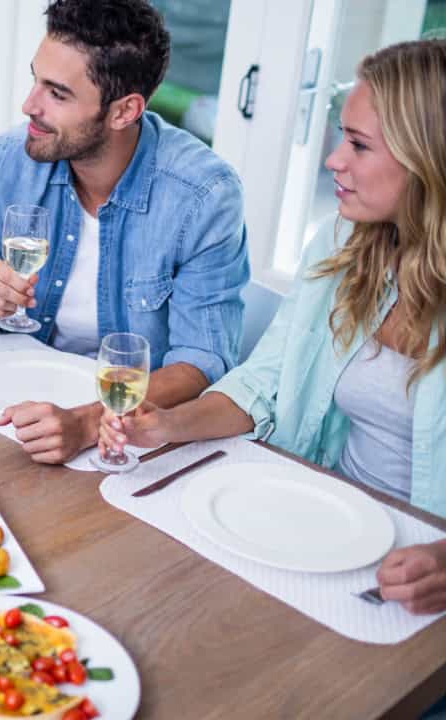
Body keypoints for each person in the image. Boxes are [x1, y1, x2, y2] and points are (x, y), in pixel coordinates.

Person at [101, 40, 446, 615]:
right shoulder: (343, 245)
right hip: (329, 523)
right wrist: (165, 425)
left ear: (430, 159)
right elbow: (264, 382)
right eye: (342, 137)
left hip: (419, 572)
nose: (335, 160)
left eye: (358, 145)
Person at [0, 0, 249, 465]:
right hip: (13, 400)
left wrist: (86, 421)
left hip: (128, 436)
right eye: (35, 79)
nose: (29, 106)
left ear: (124, 111)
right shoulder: (14, 157)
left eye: (57, 94)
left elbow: (201, 362)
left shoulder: (203, 195)